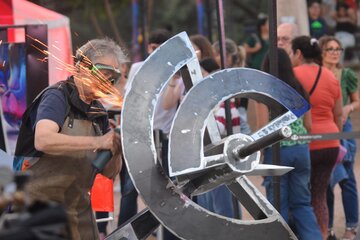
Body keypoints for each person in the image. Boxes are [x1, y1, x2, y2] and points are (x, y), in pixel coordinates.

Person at [13, 38, 125, 240]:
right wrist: (98, 142)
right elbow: (43, 140)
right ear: (82, 67)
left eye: (112, 79)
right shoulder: (57, 96)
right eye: (104, 74)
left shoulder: (98, 112)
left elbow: (110, 172)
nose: (107, 83)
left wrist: (116, 148)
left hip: (78, 211)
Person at [258, 48, 322, 240]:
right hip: (301, 149)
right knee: (303, 203)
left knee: (278, 205)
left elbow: (263, 127)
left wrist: (260, 154)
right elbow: (308, 124)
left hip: (277, 151)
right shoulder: (298, 87)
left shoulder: (263, 89)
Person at [291, 35, 343, 239]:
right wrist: (336, 137)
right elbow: (338, 113)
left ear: (298, 53)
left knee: (300, 197)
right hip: (330, 142)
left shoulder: (293, 75)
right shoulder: (330, 76)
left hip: (304, 142)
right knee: (320, 195)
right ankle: (322, 234)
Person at [319, 35, 359, 240]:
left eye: (338, 49)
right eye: (330, 49)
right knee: (326, 180)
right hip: (325, 130)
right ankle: (329, 227)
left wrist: (348, 107)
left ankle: (352, 226)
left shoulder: (347, 74)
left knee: (348, 179)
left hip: (344, 129)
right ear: (321, 52)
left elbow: (357, 100)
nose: (335, 52)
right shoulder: (318, 73)